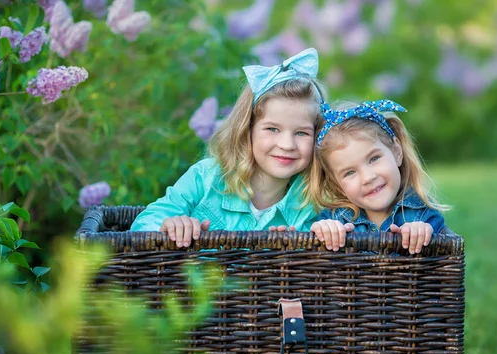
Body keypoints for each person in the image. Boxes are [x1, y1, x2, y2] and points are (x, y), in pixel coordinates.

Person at [130, 48, 326, 247]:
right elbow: (142, 225)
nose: (286, 145)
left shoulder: (312, 204)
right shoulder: (206, 177)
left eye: (302, 133)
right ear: (247, 129)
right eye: (272, 129)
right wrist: (169, 224)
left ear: (318, 136)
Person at [309, 99, 449, 254]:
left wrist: (423, 233)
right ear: (337, 186)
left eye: (374, 159)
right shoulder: (337, 221)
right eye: (350, 172)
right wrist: (323, 231)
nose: (367, 177)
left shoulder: (423, 215)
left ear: (396, 151)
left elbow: (443, 259)